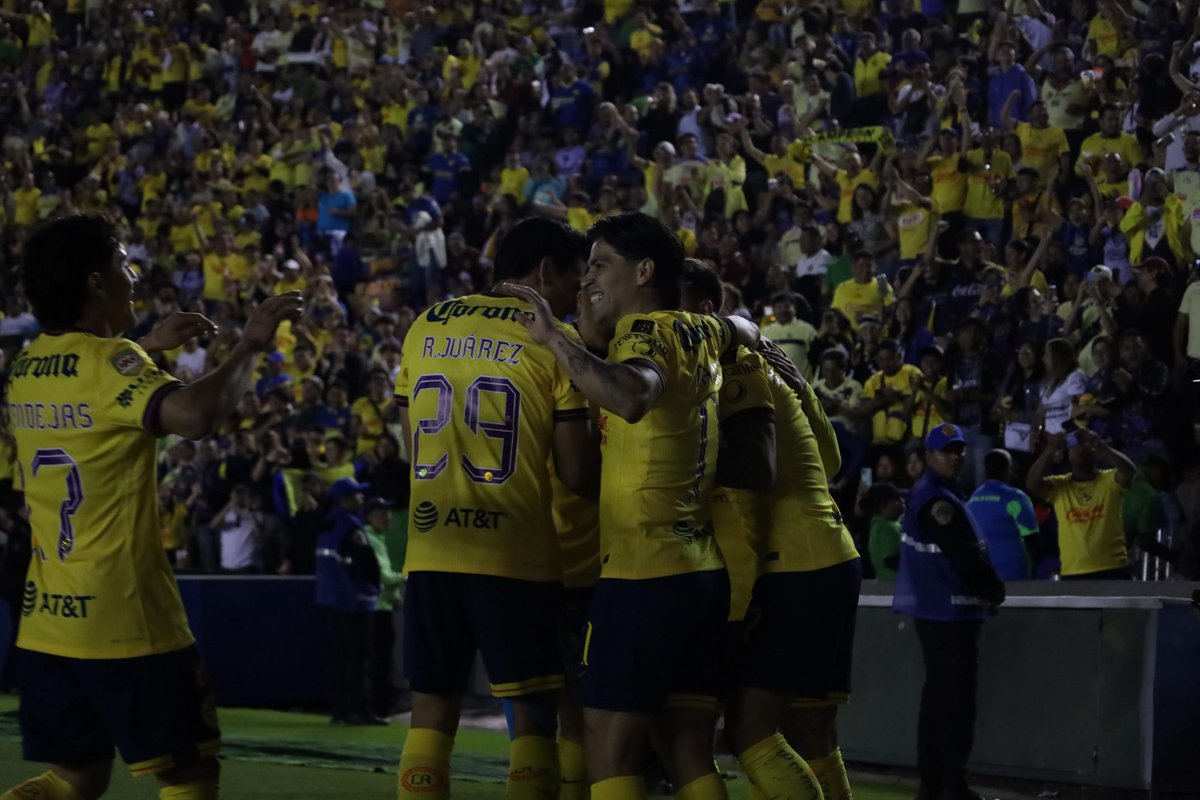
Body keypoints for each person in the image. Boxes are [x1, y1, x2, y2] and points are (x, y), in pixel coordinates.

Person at [3, 214, 301, 800]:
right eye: (122, 265)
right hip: (127, 619)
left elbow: (84, 386)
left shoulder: (27, 366)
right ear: (95, 282)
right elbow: (194, 418)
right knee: (189, 775)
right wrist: (249, 346)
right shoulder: (112, 362)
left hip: (47, 624)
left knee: (74, 779)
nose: (132, 277)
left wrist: (146, 347)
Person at [501, 212, 759, 800]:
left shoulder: (646, 334)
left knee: (609, 749)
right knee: (689, 751)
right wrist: (762, 338)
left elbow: (630, 394)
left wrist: (553, 339)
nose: (587, 278)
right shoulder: (700, 329)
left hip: (642, 573)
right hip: (702, 575)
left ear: (643, 271)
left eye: (600, 266)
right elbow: (740, 327)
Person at [394, 216, 596, 800]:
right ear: (544, 271)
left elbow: (414, 443)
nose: (574, 296)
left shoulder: (423, 326)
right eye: (574, 280)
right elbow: (577, 473)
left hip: (431, 551)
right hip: (514, 556)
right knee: (533, 716)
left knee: (430, 714)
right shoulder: (551, 338)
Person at [680, 260, 860, 800]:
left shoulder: (732, 369)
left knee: (748, 730)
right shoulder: (774, 368)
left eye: (676, 306)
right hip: (830, 552)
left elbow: (752, 474)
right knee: (812, 732)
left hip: (795, 565)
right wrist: (801, 386)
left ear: (709, 310)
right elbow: (829, 462)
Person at [893, 424, 1006, 800]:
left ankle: (935, 783)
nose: (955, 456)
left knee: (940, 701)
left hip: (939, 614)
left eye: (958, 450)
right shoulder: (937, 500)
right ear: (928, 457)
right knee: (954, 705)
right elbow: (963, 555)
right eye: (946, 451)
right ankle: (949, 784)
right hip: (949, 616)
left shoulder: (936, 493)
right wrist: (992, 588)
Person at [315, 477, 383, 726]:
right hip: (354, 601)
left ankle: (340, 710)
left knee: (339, 658)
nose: (362, 498)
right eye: (357, 494)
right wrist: (377, 586)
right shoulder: (352, 527)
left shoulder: (328, 523)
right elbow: (366, 564)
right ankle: (359, 711)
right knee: (359, 658)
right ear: (346, 499)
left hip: (331, 600)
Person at [1026, 428, 1136, 579]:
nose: (1080, 448)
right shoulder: (1060, 485)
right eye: (1075, 446)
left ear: (1095, 453)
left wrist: (1103, 447)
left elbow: (1129, 471)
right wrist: (1049, 451)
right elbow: (1032, 484)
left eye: (1086, 445)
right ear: (1068, 455)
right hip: (1073, 571)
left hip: (1112, 568)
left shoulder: (1109, 480)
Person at [966, 450, 1040, 580]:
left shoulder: (972, 499)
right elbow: (1032, 539)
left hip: (983, 576)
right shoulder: (1016, 497)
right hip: (1013, 575)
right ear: (1008, 469)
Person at [362, 495, 405, 719]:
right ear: (371, 517)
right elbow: (384, 576)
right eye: (382, 513)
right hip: (377, 610)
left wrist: (395, 596)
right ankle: (379, 708)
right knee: (379, 661)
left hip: (383, 606)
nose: (388, 517)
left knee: (382, 660)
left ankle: (381, 705)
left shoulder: (377, 537)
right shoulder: (371, 538)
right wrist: (407, 576)